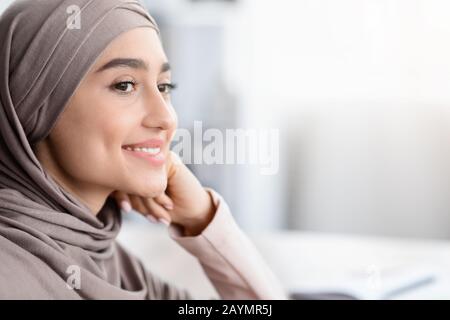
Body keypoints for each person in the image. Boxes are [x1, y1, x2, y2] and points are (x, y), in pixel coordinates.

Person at [0, 0, 287, 299]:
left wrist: (203, 218)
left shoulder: (107, 259)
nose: (166, 118)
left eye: (164, 87)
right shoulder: (10, 274)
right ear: (33, 105)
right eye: (125, 85)